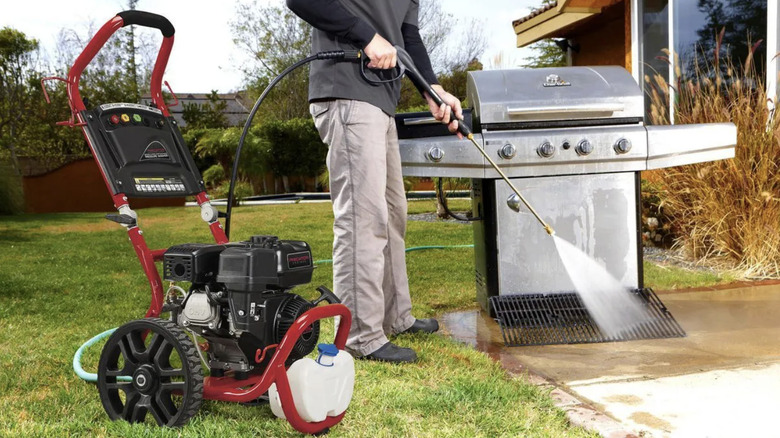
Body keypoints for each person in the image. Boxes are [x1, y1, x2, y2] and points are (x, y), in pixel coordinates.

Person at [286, 0, 463, 363]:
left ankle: (395, 316)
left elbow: (407, 37)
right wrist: (367, 37)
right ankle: (360, 334)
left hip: (382, 100)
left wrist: (433, 88)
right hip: (347, 90)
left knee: (393, 214)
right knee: (362, 219)